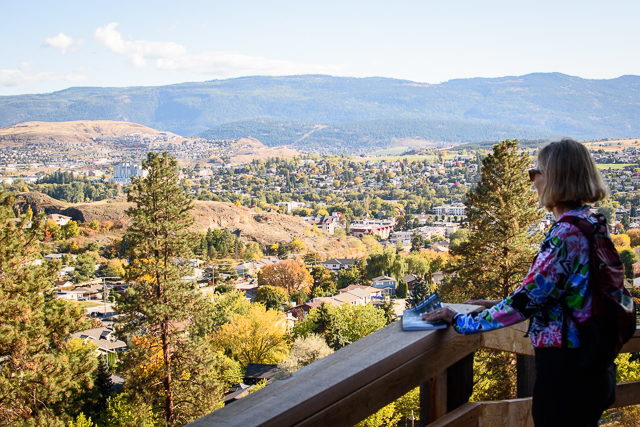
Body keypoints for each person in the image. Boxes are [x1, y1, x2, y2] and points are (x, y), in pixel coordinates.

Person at [422, 138, 616, 427]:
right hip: (595, 360)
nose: (532, 181)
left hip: (567, 369)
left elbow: (526, 302)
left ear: (554, 179)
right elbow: (558, 296)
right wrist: (502, 304)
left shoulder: (565, 235)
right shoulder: (592, 224)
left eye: (535, 172)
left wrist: (461, 321)